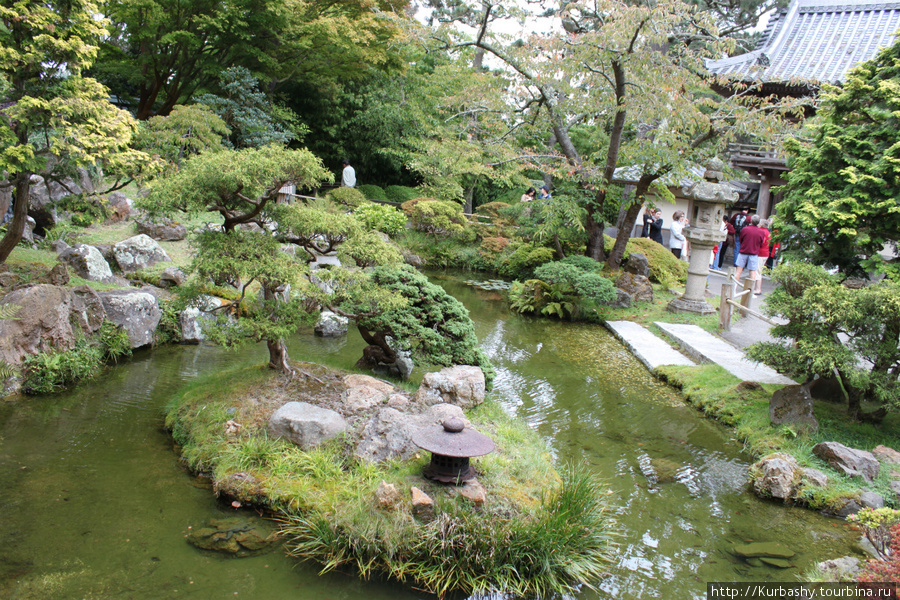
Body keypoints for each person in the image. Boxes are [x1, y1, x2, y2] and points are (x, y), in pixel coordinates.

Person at [734, 214, 767, 294]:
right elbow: (761, 243)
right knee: (752, 272)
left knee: (738, 271)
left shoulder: (745, 229)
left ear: (751, 221)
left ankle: (734, 288)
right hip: (754, 253)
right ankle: (750, 291)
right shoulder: (761, 232)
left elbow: (741, 240)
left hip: (743, 252)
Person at [754, 219, 771, 294]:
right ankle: (756, 288)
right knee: (759, 270)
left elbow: (762, 242)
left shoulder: (762, 232)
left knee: (757, 271)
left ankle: (758, 289)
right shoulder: (768, 232)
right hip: (765, 253)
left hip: (761, 253)